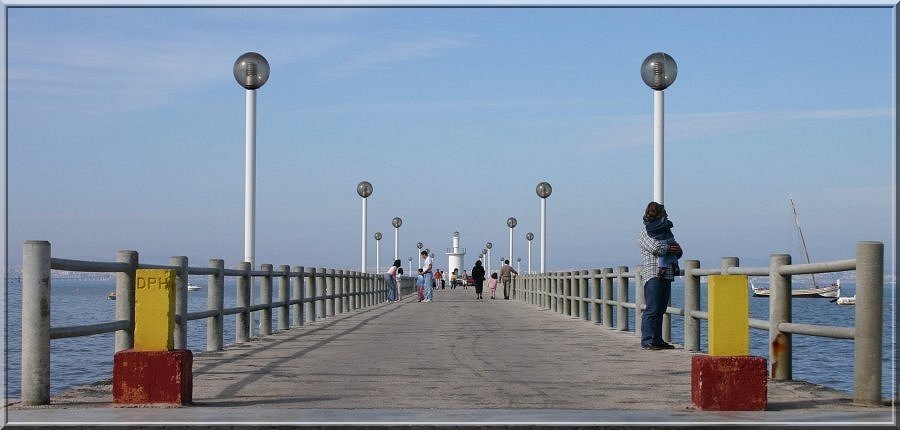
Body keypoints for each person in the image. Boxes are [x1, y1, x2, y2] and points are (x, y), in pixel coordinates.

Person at [639, 201, 683, 350]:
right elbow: (655, 248)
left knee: (661, 309)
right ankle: (647, 340)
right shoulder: (645, 232)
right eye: (664, 213)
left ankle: (657, 339)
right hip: (653, 274)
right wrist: (670, 248)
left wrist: (674, 249)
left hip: (667, 274)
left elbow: (679, 250)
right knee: (652, 308)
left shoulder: (666, 231)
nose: (666, 216)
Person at [645, 208, 680, 280]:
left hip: (653, 276)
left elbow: (656, 249)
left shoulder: (651, 227)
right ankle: (675, 265)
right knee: (671, 253)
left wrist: (668, 248)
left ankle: (662, 268)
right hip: (671, 239)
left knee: (662, 254)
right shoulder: (665, 223)